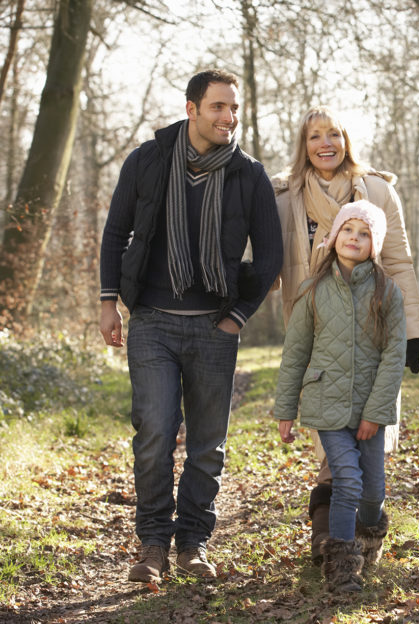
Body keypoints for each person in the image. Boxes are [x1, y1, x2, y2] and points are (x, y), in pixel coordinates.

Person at [99, 69, 283, 583]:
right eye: (219, 107)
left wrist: (237, 317)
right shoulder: (149, 159)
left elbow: (270, 256)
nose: (229, 117)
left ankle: (193, 542)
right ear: (192, 109)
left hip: (213, 327)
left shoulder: (248, 174)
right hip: (152, 322)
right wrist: (107, 301)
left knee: (208, 443)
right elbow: (116, 232)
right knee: (155, 432)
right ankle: (153, 544)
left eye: (235, 109)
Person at [272, 106, 419, 561]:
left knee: (365, 443)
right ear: (304, 144)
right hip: (319, 329)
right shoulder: (285, 197)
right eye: (315, 136)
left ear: (346, 140)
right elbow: (265, 264)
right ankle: (334, 541)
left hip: (375, 328)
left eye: (334, 134)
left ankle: (350, 533)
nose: (325, 143)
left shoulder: (377, 190)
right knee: (333, 443)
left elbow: (398, 260)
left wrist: (413, 331)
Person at [275, 200, 406, 594]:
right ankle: (343, 565)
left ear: (374, 244)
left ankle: (369, 538)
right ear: (333, 239)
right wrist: (285, 409)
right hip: (326, 404)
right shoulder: (312, 290)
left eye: (364, 233)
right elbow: (295, 352)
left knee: (374, 492)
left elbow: (393, 357)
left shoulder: (387, 292)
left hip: (370, 407)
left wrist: (375, 412)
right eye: (348, 230)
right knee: (346, 481)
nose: (355, 238)